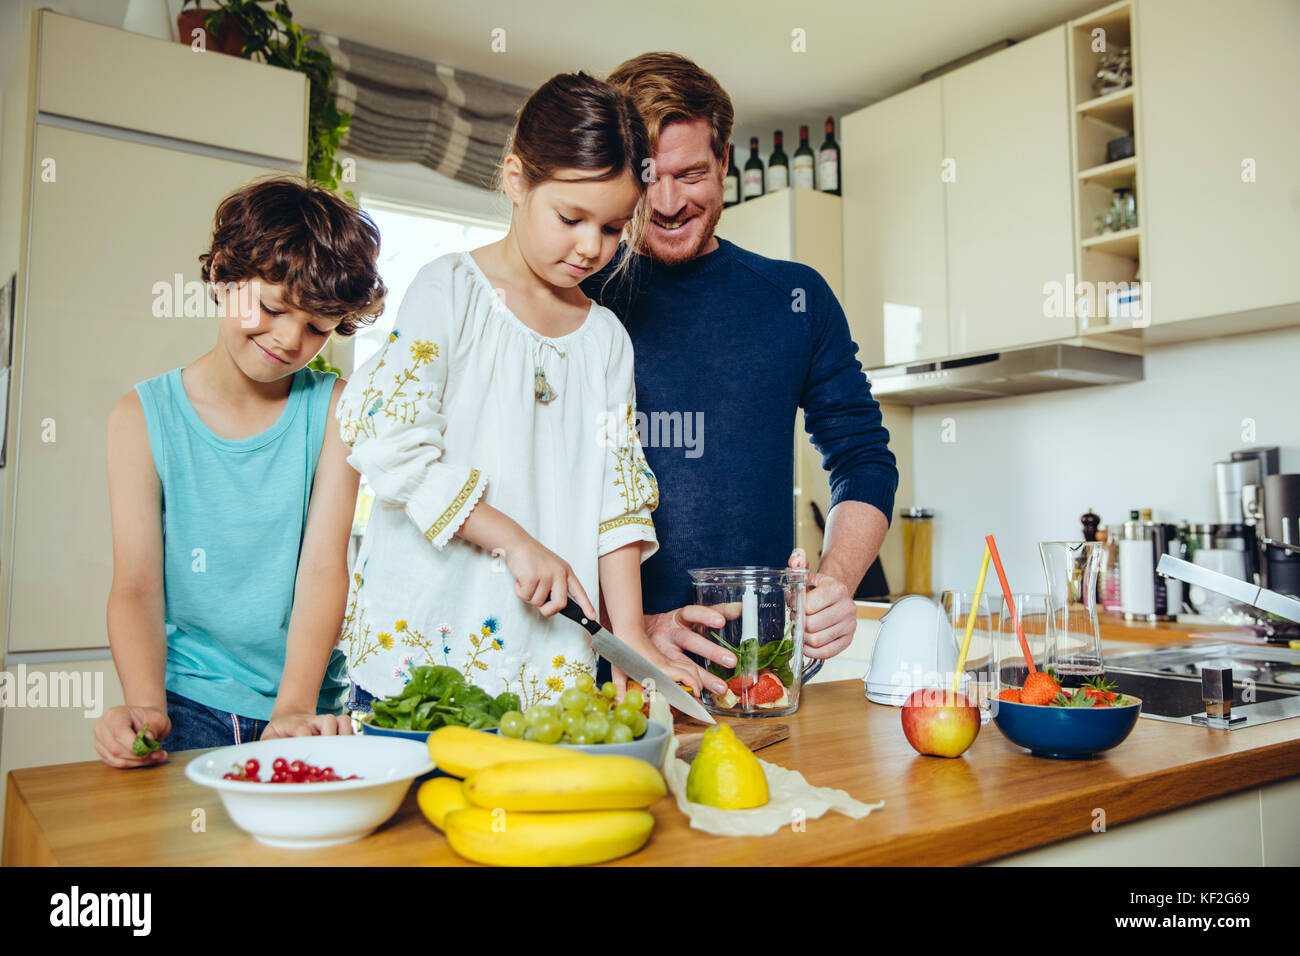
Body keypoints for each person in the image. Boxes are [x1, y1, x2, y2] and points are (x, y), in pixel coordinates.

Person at [335, 72, 699, 721]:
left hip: (548, 667)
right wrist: (515, 540)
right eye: (571, 218)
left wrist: (632, 642)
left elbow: (618, 495)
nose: (593, 246)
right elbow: (392, 448)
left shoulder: (606, 339)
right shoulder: (448, 290)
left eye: (614, 227)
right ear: (515, 181)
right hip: (415, 659)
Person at [581, 53, 899, 696]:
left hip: (760, 678)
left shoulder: (794, 299)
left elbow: (863, 456)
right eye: (649, 178)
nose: (668, 203)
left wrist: (837, 577)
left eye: (691, 173)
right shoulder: (574, 301)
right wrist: (634, 631)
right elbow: (525, 502)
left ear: (724, 162)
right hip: (605, 675)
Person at [93, 177, 386, 767]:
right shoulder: (140, 418)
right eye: (275, 308)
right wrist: (146, 706)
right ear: (225, 275)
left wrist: (294, 706)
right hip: (189, 699)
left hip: (307, 702)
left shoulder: (333, 409)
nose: (288, 338)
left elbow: (325, 565)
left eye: (317, 328)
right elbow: (137, 586)